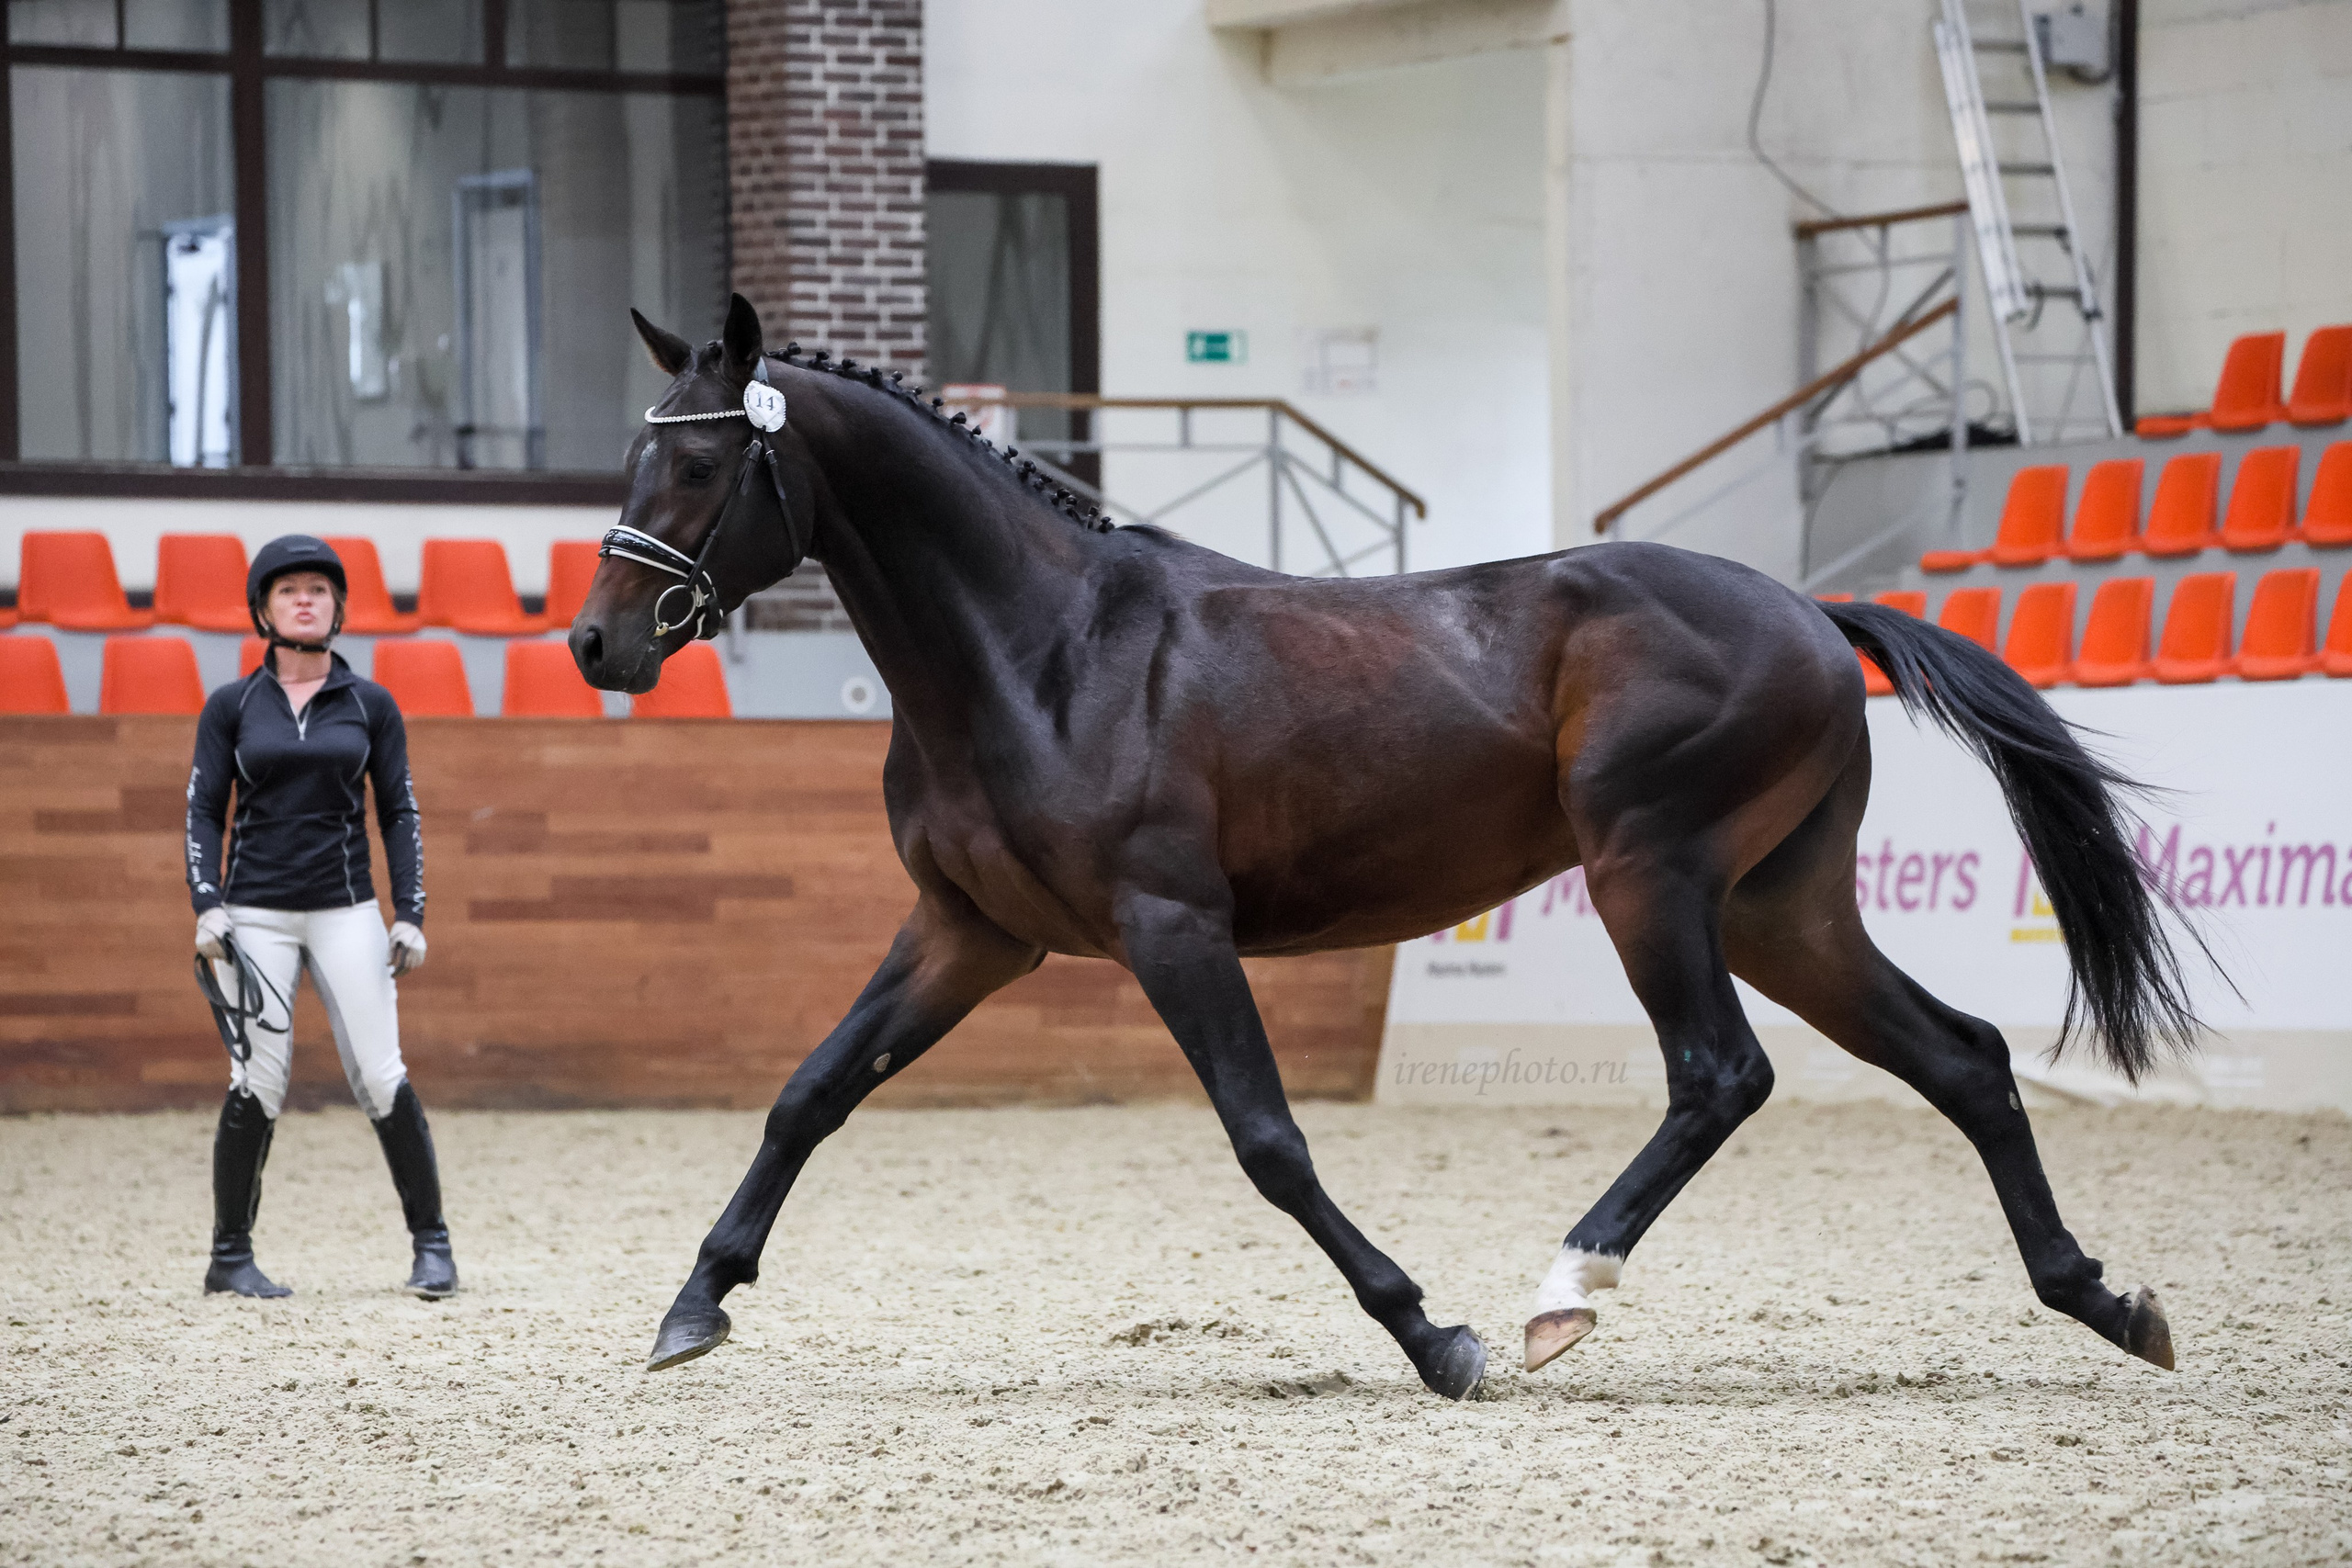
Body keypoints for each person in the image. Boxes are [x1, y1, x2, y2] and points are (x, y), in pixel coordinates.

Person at [185, 535, 457, 1300]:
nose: (305, 599)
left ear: (338, 607)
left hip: (347, 911)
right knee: (256, 1081)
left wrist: (411, 913)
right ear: (263, 609)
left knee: (380, 1073)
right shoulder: (231, 706)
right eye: (288, 590)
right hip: (254, 917)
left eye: (319, 589)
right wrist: (208, 905)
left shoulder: (370, 704)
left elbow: (398, 811)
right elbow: (204, 811)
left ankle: (432, 1248)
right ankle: (229, 1256)